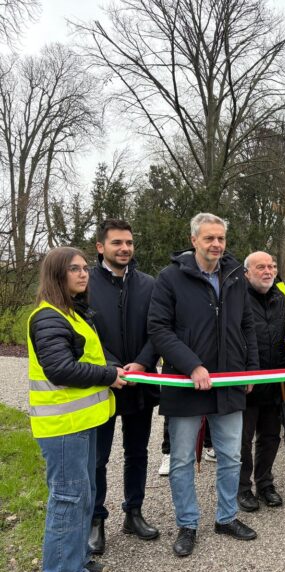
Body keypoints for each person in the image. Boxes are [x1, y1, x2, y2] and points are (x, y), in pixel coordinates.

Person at [148, 213, 260, 557]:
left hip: (228, 382)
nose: (216, 244)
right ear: (194, 239)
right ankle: (188, 524)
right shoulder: (169, 278)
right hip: (185, 384)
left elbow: (246, 324)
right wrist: (192, 365)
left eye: (221, 239)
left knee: (231, 456)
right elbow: (159, 329)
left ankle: (226, 517)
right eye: (209, 238)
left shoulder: (235, 276)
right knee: (181, 460)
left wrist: (250, 369)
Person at [27, 246, 125, 572]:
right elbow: (60, 368)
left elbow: (89, 359)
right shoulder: (47, 317)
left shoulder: (72, 313)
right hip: (63, 428)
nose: (84, 273)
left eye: (84, 268)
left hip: (82, 424)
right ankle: (61, 571)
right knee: (68, 500)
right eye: (74, 269)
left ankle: (76, 561)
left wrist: (111, 366)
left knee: (84, 497)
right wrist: (108, 376)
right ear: (57, 275)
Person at [88, 219, 160, 555]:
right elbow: (80, 332)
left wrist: (144, 362)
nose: (125, 249)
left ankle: (134, 511)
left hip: (140, 384)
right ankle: (95, 519)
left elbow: (158, 329)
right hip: (101, 385)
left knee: (137, 453)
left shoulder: (148, 284)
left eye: (129, 242)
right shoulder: (84, 284)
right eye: (117, 243)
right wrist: (110, 366)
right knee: (98, 457)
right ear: (101, 247)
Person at [237, 251, 285, 513]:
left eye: (271, 266)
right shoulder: (237, 298)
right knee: (243, 439)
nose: (268, 271)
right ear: (247, 272)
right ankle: (243, 487)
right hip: (247, 382)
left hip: (275, 379)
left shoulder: (280, 298)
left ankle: (265, 483)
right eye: (261, 267)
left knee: (270, 436)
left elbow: (281, 339)